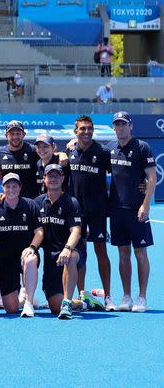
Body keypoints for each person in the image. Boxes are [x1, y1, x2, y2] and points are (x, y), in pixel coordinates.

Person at [108, 111, 155, 313]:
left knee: (140, 253)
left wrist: (145, 204)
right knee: (123, 253)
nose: (120, 128)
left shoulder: (142, 147)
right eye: (117, 125)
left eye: (123, 124)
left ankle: (141, 297)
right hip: (116, 210)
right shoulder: (110, 148)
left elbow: (151, 178)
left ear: (131, 126)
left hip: (137, 210)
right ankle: (126, 297)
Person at [67, 115, 114, 310]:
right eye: (82, 129)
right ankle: (81, 296)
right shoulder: (69, 151)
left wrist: (143, 183)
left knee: (100, 251)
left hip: (97, 210)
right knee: (79, 253)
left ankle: (108, 297)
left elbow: (119, 173)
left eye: (89, 129)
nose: (86, 132)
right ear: (75, 131)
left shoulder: (103, 152)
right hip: (76, 211)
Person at [0, 173, 43, 317]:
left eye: (15, 186)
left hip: (24, 255)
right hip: (5, 260)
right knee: (11, 309)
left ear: (20, 187)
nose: (11, 189)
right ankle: (21, 295)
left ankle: (29, 303)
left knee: (31, 259)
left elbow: (39, 232)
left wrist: (32, 248)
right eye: (8, 186)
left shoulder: (30, 205)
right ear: (3, 188)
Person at [36, 163, 83, 319]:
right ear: (44, 179)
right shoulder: (37, 202)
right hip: (51, 260)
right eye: (50, 175)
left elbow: (76, 230)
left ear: (63, 178)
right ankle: (84, 302)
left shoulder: (71, 202)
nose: (53, 179)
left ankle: (68, 304)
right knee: (54, 306)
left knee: (71, 257)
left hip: (68, 252)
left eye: (57, 175)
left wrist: (68, 248)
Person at [0, 120, 41, 199]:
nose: (15, 137)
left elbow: (49, 156)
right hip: (9, 200)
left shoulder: (33, 150)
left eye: (18, 133)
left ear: (24, 134)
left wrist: (62, 154)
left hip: (31, 200)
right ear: (6, 135)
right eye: (12, 134)